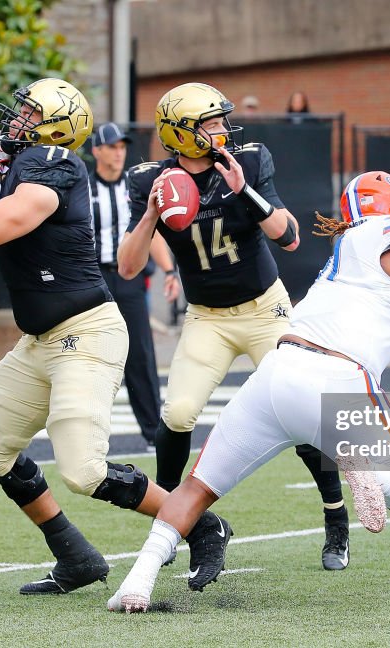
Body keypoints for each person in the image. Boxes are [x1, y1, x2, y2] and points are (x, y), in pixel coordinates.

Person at [0, 77, 231, 595]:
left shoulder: (54, 167)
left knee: (83, 470)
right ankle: (74, 555)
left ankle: (200, 523)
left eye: (29, 113)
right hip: (39, 340)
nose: (16, 119)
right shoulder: (19, 166)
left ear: (55, 125)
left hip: (85, 332)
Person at [108, 171, 390, 612]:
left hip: (276, 371)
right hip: (336, 378)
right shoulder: (387, 232)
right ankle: (362, 462)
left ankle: (136, 582)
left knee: (196, 488)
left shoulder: (354, 249)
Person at [118, 82, 352, 571]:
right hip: (207, 317)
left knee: (300, 411)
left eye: (222, 119)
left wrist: (244, 189)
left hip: (265, 309)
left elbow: (288, 238)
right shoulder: (148, 181)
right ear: (181, 134)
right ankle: (168, 523)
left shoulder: (247, 160)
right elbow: (126, 267)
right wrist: (151, 216)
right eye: (210, 123)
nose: (222, 129)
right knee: (178, 413)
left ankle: (335, 517)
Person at [90, 122, 177, 446]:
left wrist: (169, 271)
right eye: (111, 146)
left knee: (140, 352)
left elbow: (147, 231)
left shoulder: (134, 186)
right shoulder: (83, 187)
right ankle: (86, 431)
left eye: (122, 146)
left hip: (128, 277)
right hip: (93, 277)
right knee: (91, 354)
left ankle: (155, 433)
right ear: (96, 150)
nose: (118, 152)